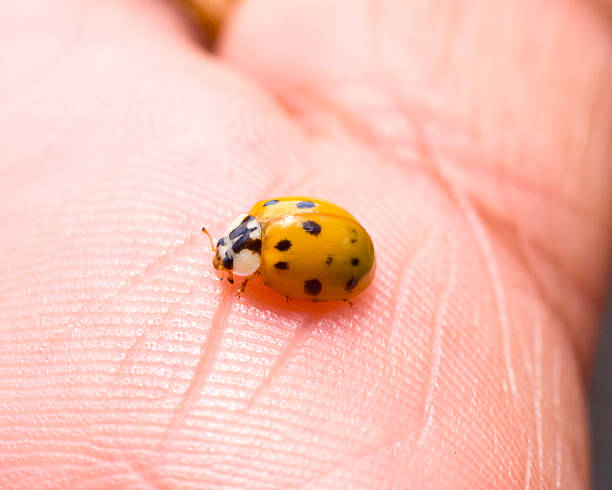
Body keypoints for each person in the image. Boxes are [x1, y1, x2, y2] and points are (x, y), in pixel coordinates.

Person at [1, 1, 610, 488]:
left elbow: (305, 269)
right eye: (229, 256)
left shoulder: (269, 260)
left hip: (350, 259)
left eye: (229, 259)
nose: (228, 265)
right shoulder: (264, 225)